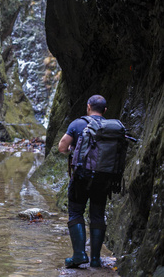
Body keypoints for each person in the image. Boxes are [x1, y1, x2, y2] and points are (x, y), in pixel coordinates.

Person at [58, 95, 110, 268]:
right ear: (105, 111)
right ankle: (96, 259)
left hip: (81, 177)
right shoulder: (111, 127)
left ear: (88, 107)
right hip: (104, 178)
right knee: (97, 215)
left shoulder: (78, 124)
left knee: (75, 212)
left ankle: (79, 255)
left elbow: (62, 147)